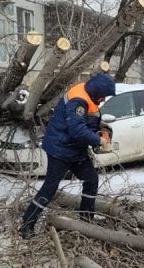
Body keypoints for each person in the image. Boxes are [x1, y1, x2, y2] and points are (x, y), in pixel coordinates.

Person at [19, 73, 115, 239]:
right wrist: (99, 140)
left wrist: (102, 127)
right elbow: (77, 130)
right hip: (60, 150)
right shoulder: (78, 101)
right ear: (96, 91)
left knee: (91, 179)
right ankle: (27, 225)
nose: (103, 99)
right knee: (49, 188)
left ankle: (86, 221)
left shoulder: (88, 95)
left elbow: (87, 121)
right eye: (103, 96)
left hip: (75, 150)